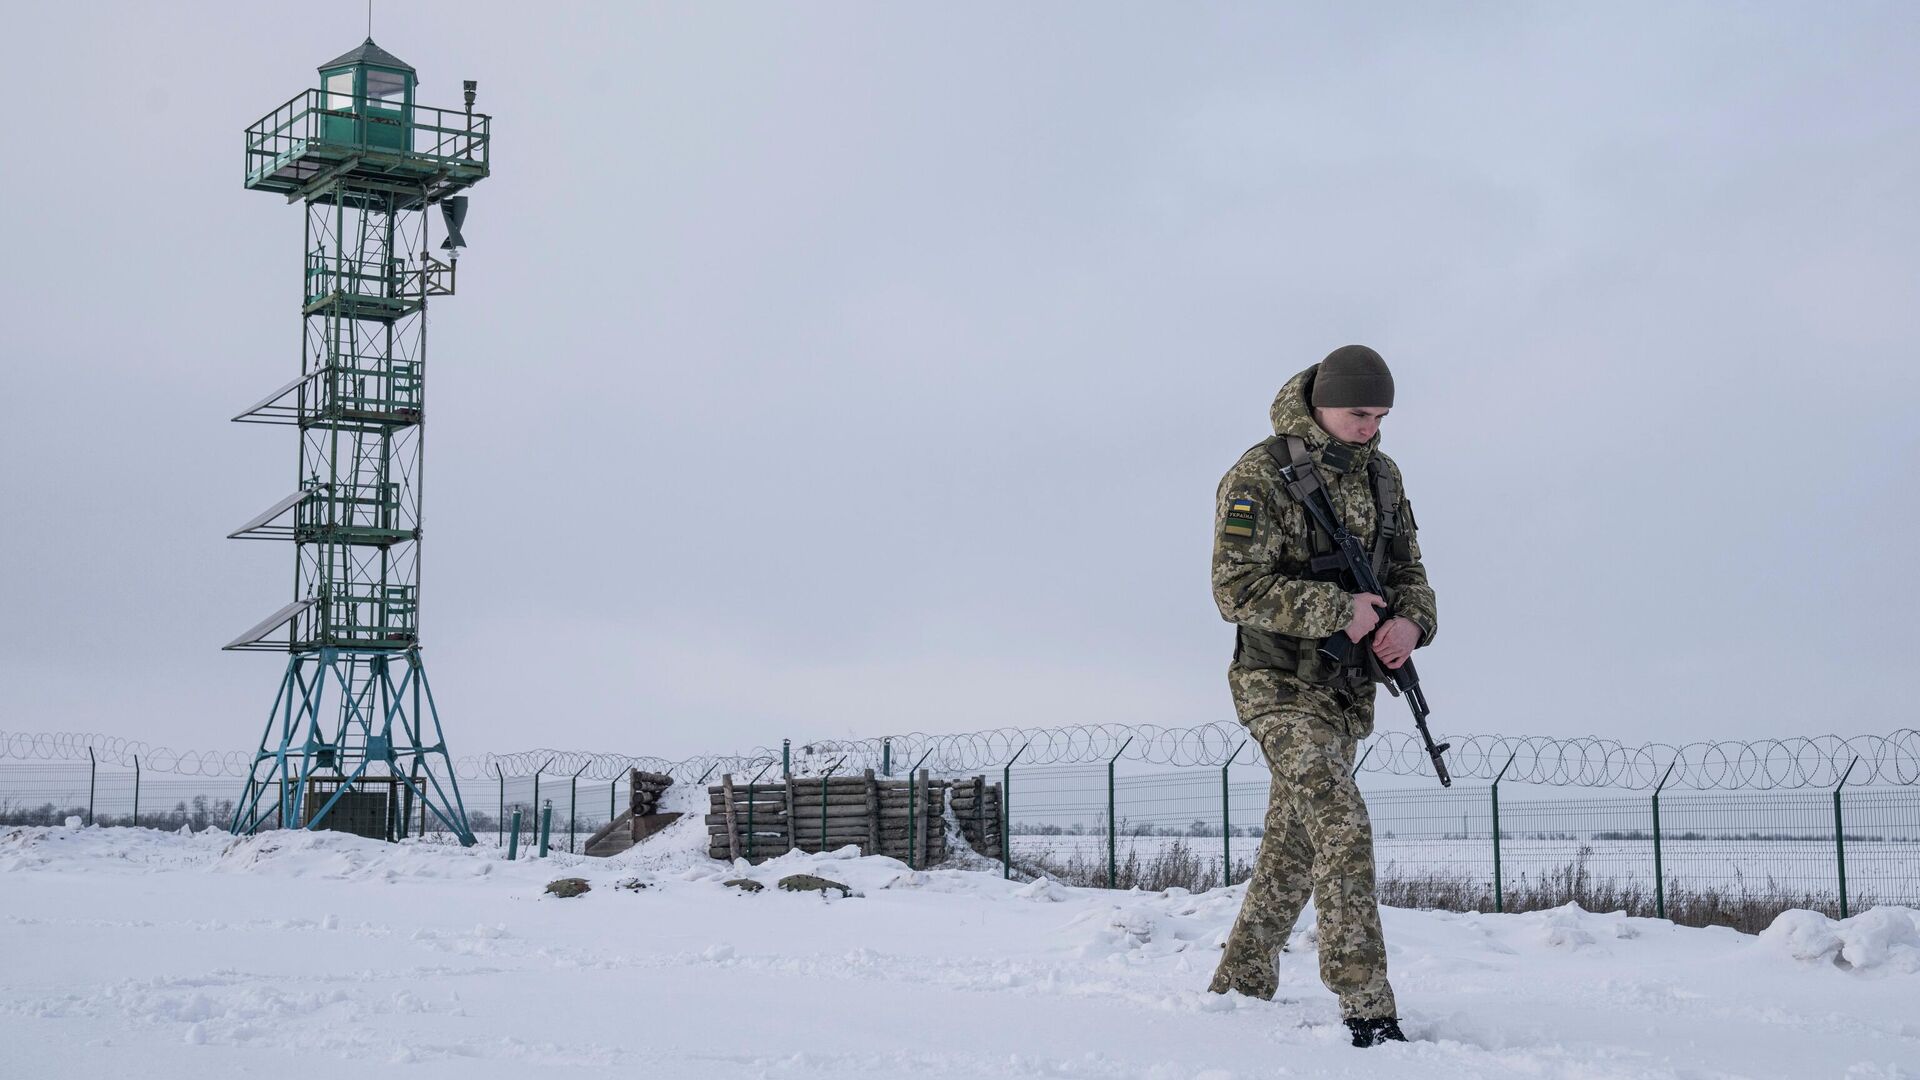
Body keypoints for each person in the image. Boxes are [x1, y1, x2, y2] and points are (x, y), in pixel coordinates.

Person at [1204, 344, 1437, 1048]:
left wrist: (1409, 625)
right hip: (1276, 685)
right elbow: (1234, 590)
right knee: (1340, 822)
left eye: (1382, 416)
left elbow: (1411, 574)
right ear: (1320, 405)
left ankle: (1239, 986)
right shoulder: (1261, 474)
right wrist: (1338, 611)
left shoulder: (1384, 478)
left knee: (1293, 848)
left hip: (1344, 693)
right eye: (1358, 413)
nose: (1371, 427)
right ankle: (1365, 1002)